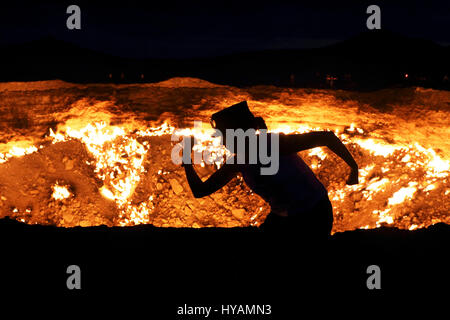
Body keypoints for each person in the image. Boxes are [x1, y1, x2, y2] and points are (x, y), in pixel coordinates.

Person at [181, 101, 358, 238]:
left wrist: (354, 167)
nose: (221, 142)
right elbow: (201, 191)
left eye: (223, 135)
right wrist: (187, 163)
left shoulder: (273, 145)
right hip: (284, 217)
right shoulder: (240, 161)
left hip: (313, 215)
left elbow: (326, 137)